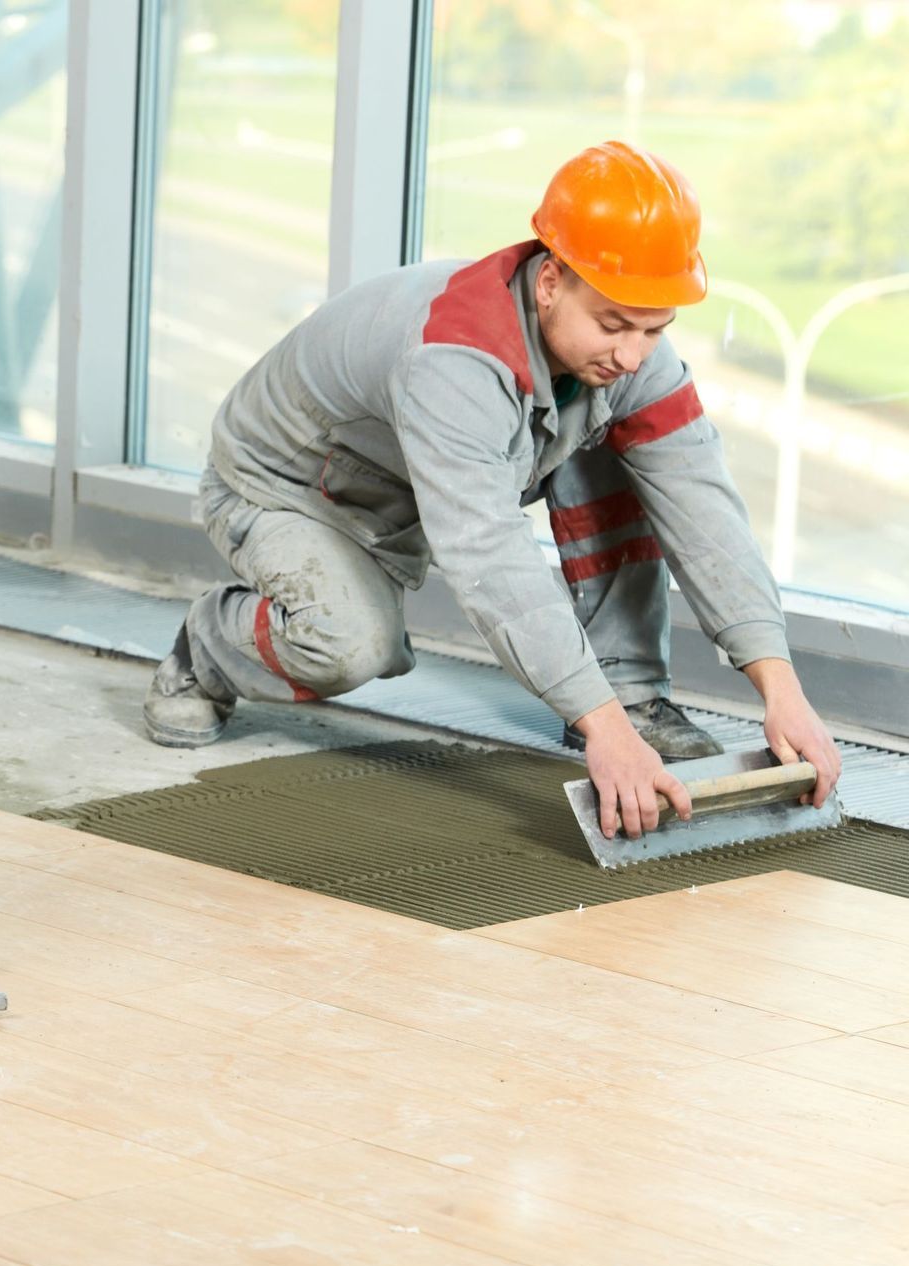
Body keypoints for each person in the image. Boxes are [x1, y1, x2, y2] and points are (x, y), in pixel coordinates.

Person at [144, 141, 841, 841]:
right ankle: (206, 647)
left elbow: (702, 506)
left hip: (406, 479)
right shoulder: (453, 360)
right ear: (550, 282)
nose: (633, 354)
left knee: (623, 446)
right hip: (286, 489)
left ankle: (629, 693)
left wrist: (783, 690)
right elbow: (491, 560)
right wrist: (602, 733)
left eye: (655, 328)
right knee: (353, 643)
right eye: (614, 324)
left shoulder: (624, 354)